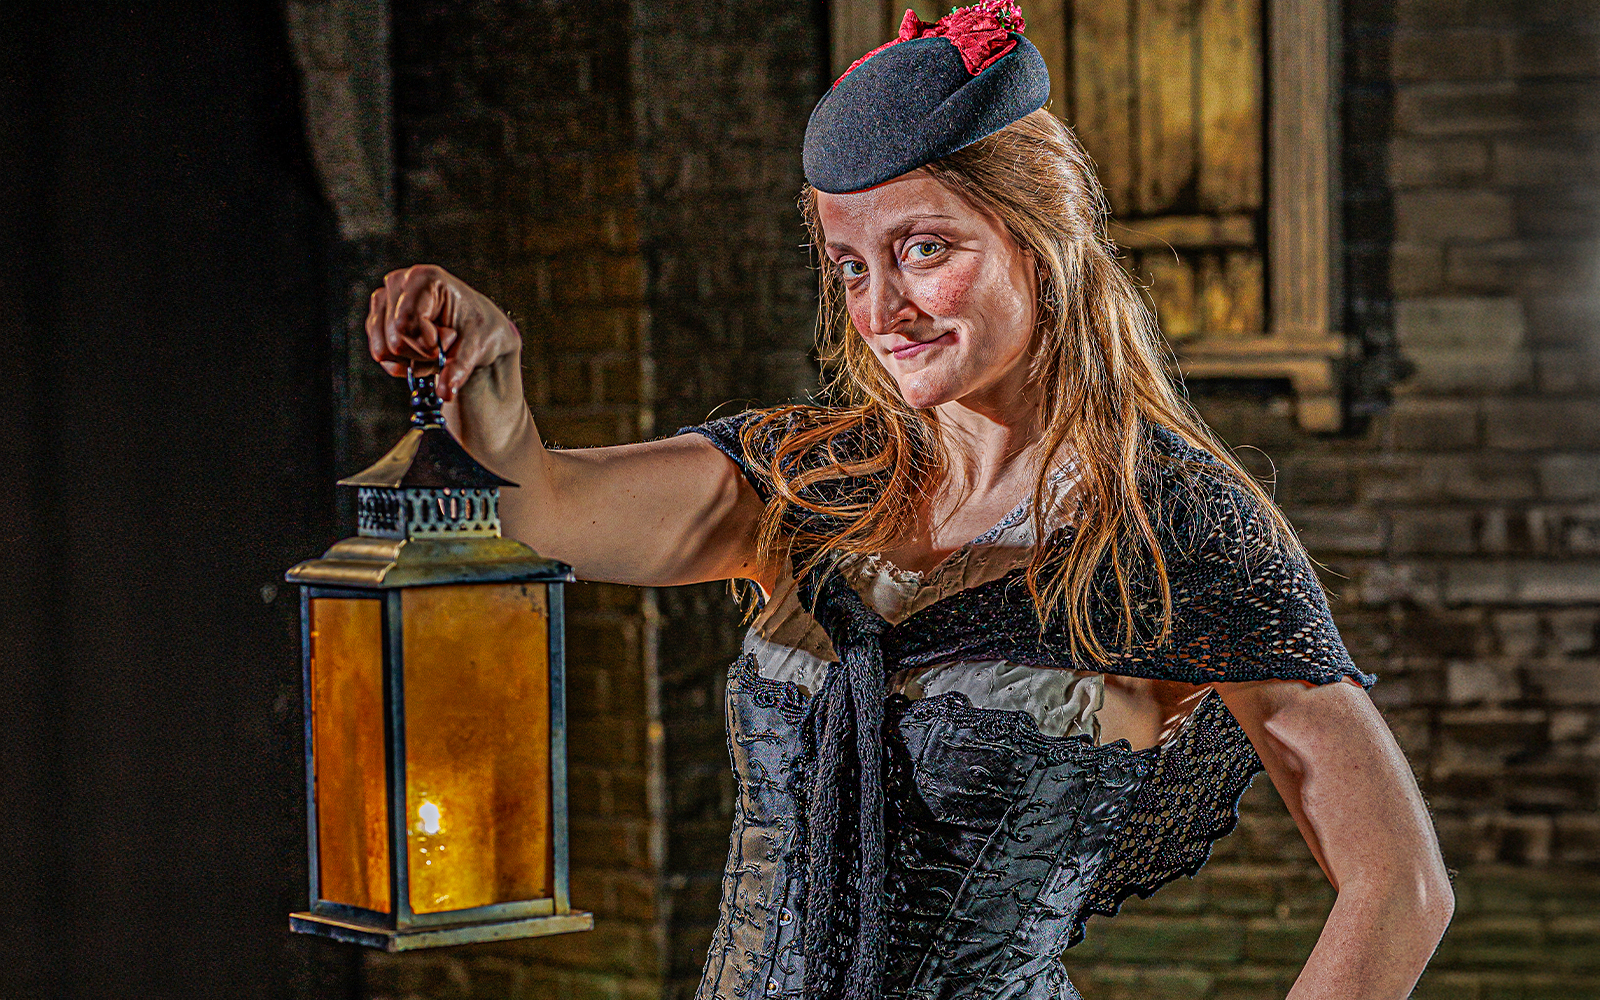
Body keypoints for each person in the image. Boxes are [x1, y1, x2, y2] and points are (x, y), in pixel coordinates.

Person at [365, 4, 1453, 998]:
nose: (882, 309)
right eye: (850, 266)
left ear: (1042, 245)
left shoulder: (1172, 530)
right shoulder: (810, 482)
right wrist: (488, 383)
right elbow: (542, 512)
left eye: (924, 250)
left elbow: (1399, 887)